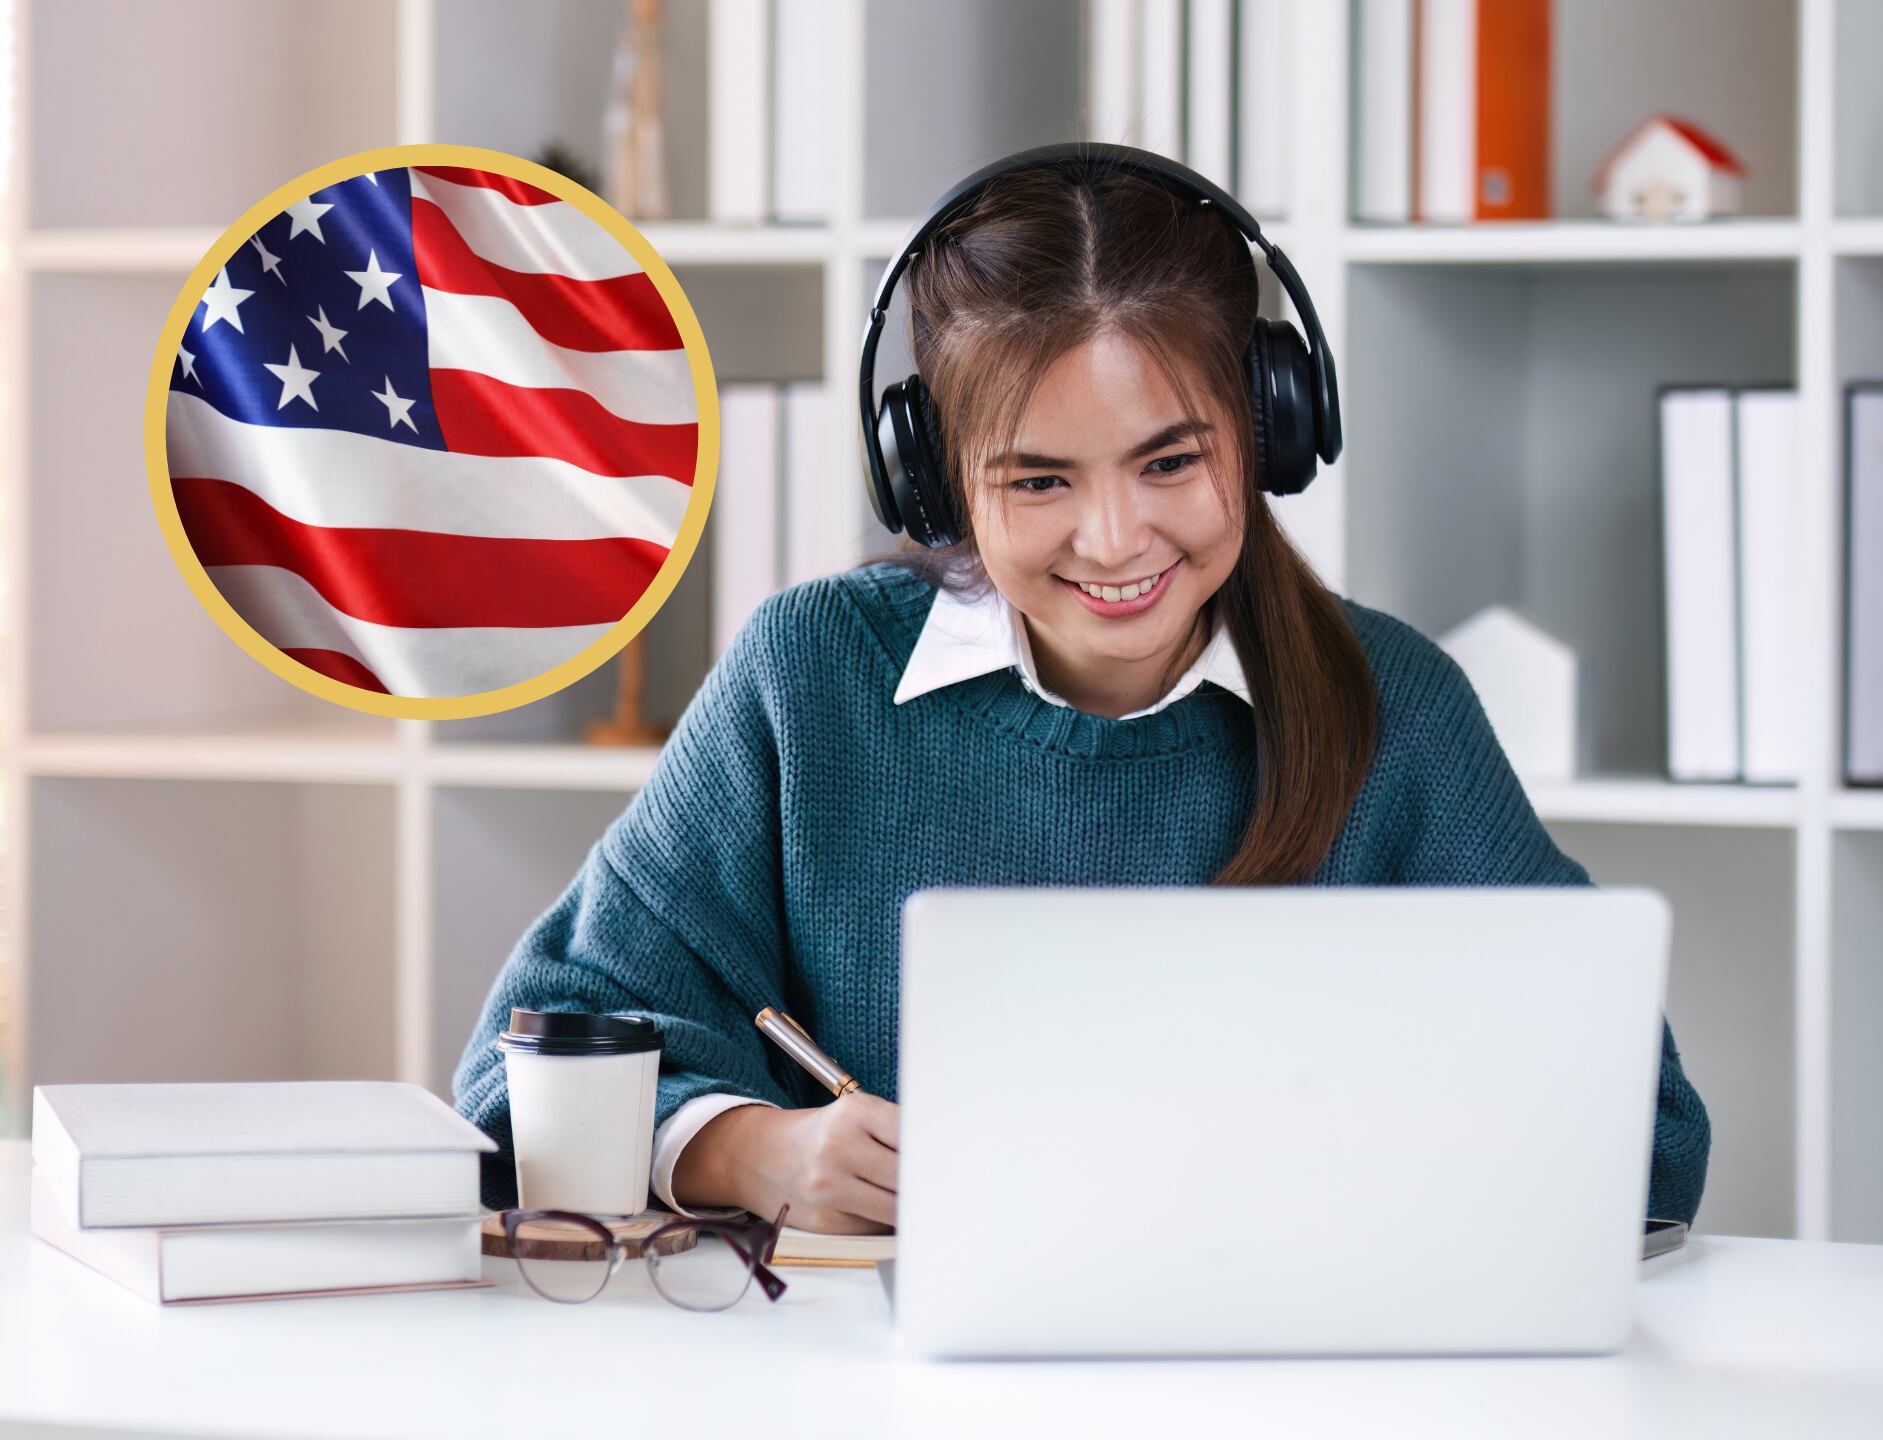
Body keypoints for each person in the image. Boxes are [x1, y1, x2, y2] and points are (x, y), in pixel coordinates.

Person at [452, 149, 1711, 1235]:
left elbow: (1645, 1139)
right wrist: (751, 1150)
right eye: (1037, 481)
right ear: (937, 484)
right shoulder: (811, 677)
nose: (1115, 541)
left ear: (1271, 428)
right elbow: (519, 1084)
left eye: (1171, 459)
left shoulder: (1395, 704)